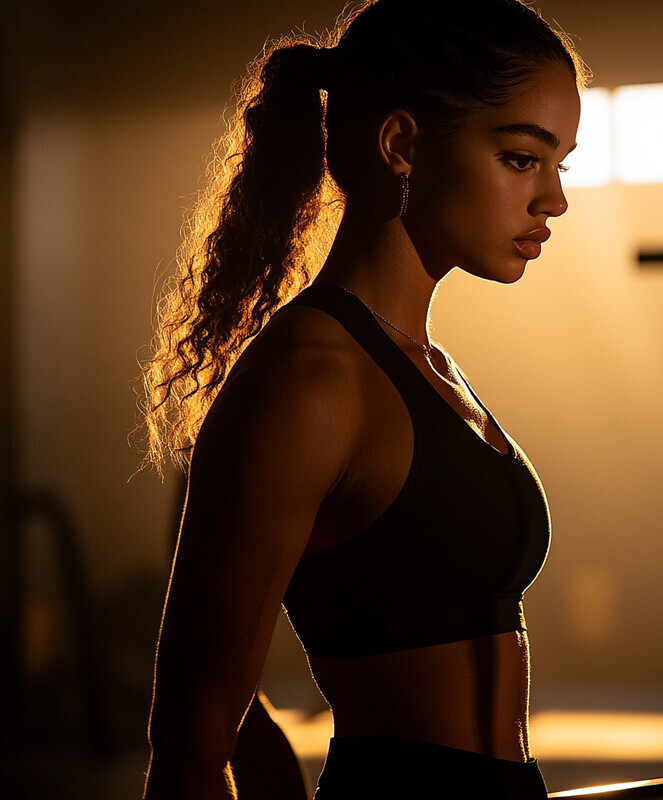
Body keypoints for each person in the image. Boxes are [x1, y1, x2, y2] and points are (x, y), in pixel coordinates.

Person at [140, 0, 588, 797]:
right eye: (524, 158)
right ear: (402, 145)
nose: (553, 199)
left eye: (563, 166)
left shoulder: (432, 371)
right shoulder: (310, 379)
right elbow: (190, 744)